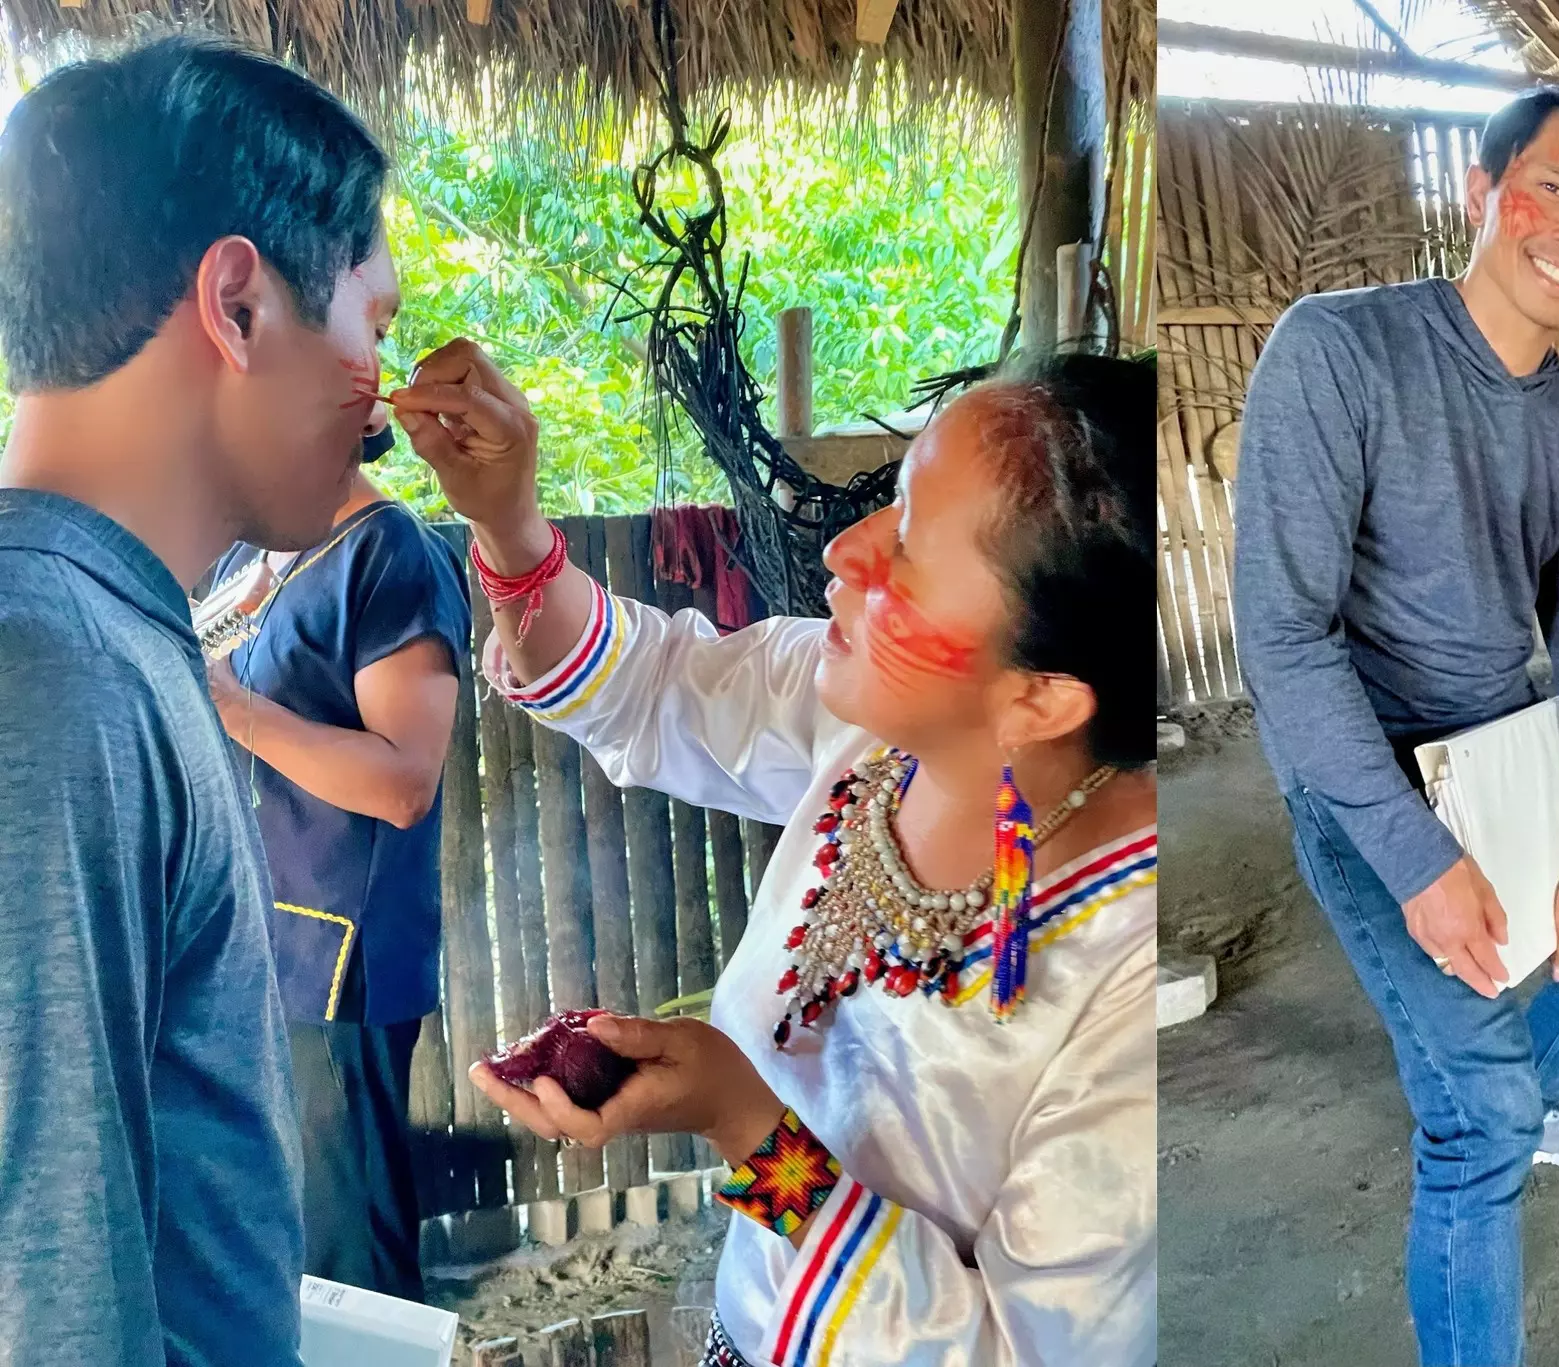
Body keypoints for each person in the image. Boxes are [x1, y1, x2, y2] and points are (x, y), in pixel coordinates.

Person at [394, 341, 1157, 1366]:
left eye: (915, 549)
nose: (849, 548)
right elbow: (644, 684)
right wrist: (504, 515)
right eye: (896, 496)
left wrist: (746, 1122)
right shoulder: (872, 733)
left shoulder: (1123, 974)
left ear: (1038, 696)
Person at [1232, 84, 1559, 1366]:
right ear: (1482, 195)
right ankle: (1487, 1099)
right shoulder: (1338, 352)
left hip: (1509, 747)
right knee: (1472, 1117)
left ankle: (1495, 1081)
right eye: (1554, 190)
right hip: (1369, 770)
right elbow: (1281, 641)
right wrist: (1418, 862)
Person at [0, 34, 396, 1365]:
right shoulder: (50, 678)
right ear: (237, 303)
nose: (382, 402)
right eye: (373, 325)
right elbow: (49, 1305)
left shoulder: (110, 640)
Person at [205, 447, 471, 1302]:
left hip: (336, 958)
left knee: (348, 1252)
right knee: (283, 1240)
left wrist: (226, 705)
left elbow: (402, 782)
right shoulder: (251, 556)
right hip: (260, 940)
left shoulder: (391, 552)